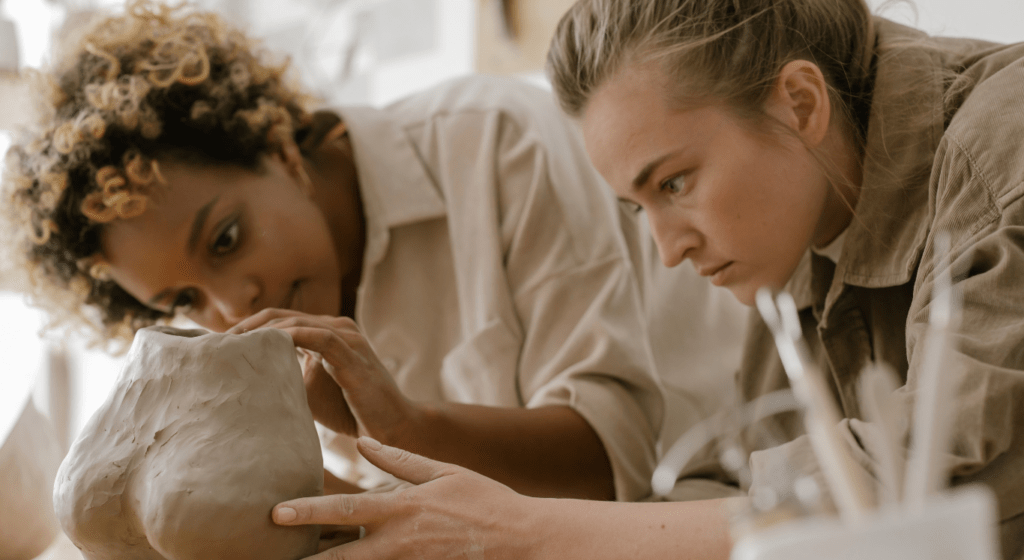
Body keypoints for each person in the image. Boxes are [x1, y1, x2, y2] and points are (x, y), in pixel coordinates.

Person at [252, 0, 1024, 560]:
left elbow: (950, 483)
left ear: (801, 102)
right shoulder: (800, 230)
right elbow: (728, 487)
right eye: (637, 207)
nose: (666, 249)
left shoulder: (1005, 146)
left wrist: (531, 539)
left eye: (675, 182)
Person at [1, 0, 748, 518]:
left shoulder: (492, 143)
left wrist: (395, 427)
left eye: (225, 239)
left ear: (281, 151)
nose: (234, 308)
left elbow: (608, 467)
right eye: (185, 301)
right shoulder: (288, 344)